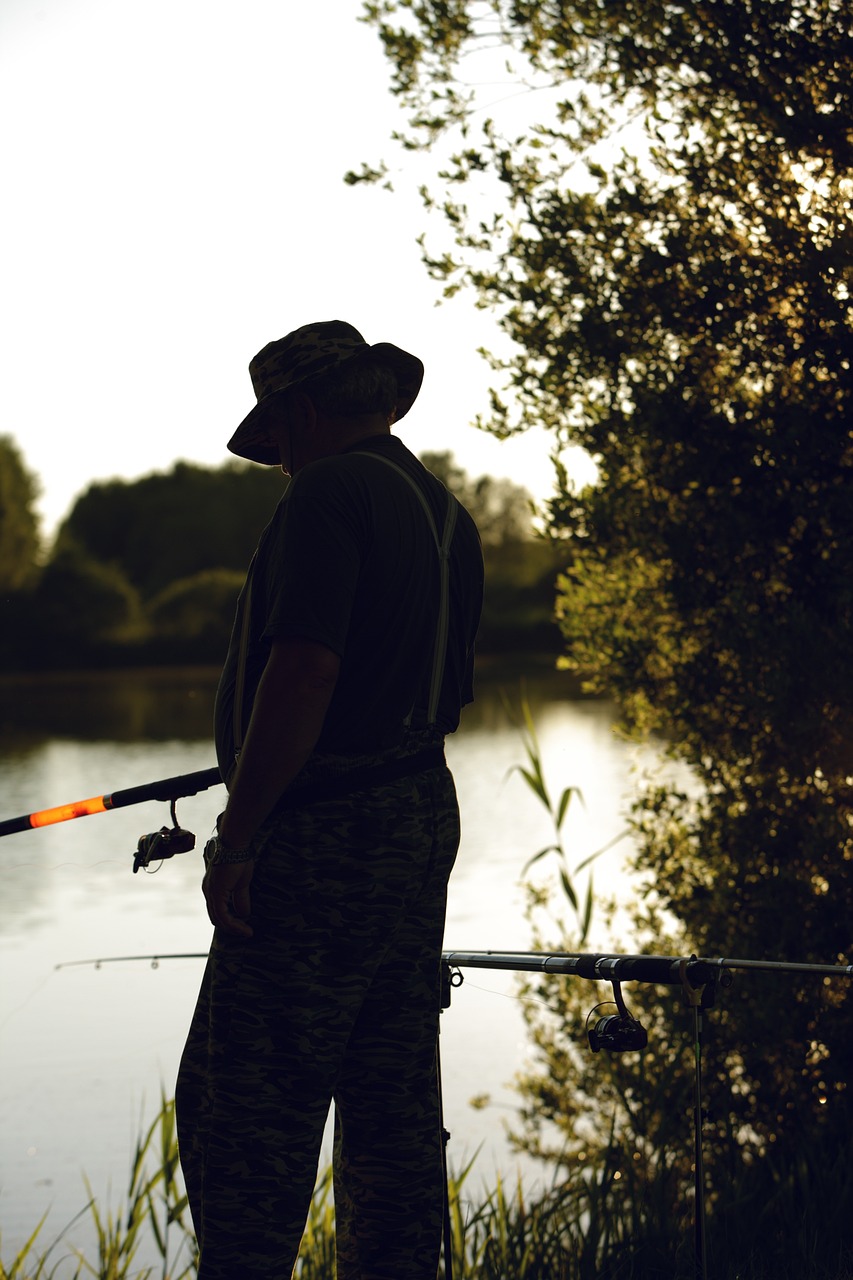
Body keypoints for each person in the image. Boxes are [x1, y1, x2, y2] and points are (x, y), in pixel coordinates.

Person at [175, 320, 484, 1280]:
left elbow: (305, 672)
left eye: (276, 443)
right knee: (390, 1097)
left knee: (243, 1109)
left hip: (326, 836)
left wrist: (238, 838)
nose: (278, 464)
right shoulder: (444, 512)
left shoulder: (327, 492)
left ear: (303, 414)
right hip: (419, 813)